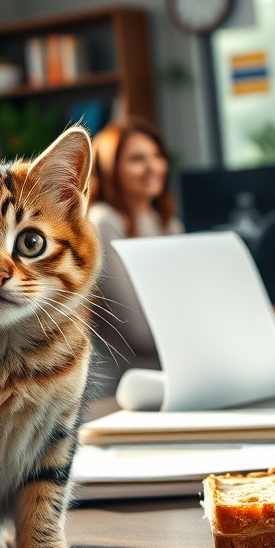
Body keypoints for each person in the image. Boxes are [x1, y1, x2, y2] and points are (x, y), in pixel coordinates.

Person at [88, 118, 183, 371]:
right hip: (127, 379)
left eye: (157, 155)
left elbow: (184, 303)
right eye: (137, 159)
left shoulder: (168, 224)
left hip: (173, 366)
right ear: (110, 168)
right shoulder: (103, 221)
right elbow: (138, 333)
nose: (153, 166)